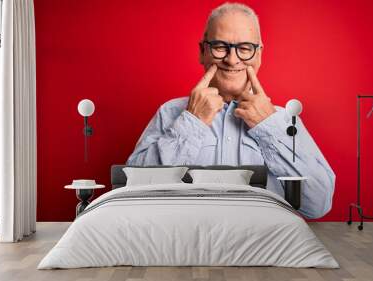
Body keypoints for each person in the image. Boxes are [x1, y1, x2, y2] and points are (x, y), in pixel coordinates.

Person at [126, 2, 335, 219]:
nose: (232, 59)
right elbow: (131, 192)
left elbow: (317, 204)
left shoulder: (284, 120)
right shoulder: (170, 112)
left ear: (259, 55)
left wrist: (269, 127)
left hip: (259, 247)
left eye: (245, 48)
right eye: (220, 46)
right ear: (202, 51)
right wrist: (192, 123)